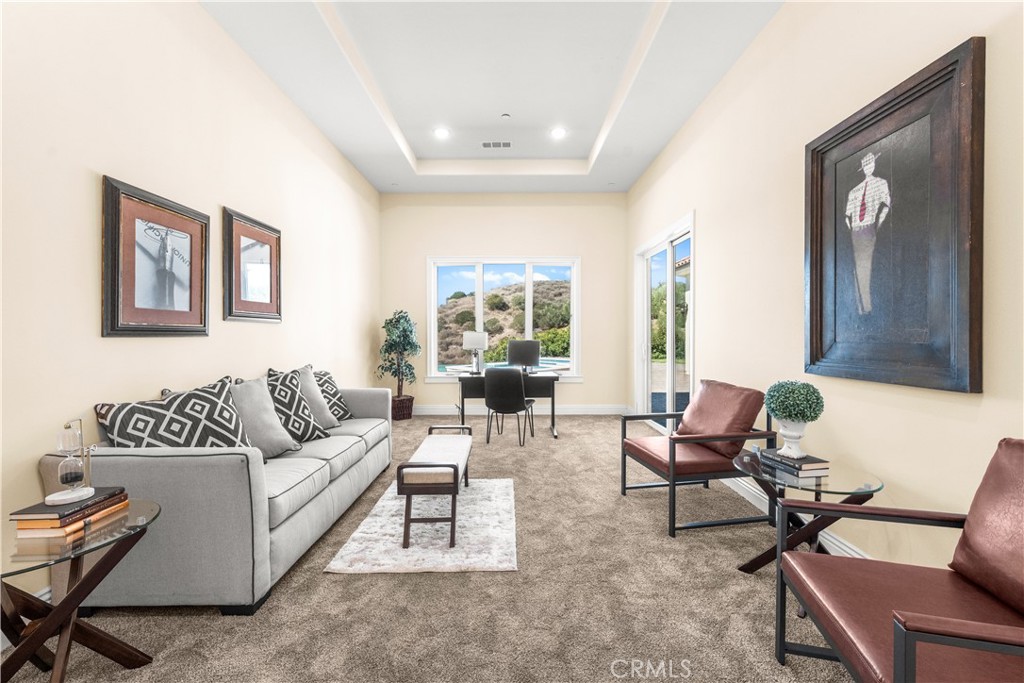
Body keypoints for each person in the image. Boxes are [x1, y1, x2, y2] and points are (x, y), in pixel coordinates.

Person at [844, 151, 891, 315]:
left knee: (868, 267)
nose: (868, 166)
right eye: (865, 164)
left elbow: (886, 205)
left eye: (871, 162)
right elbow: (847, 217)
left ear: (874, 164)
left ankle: (869, 308)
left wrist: (877, 224)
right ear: (863, 167)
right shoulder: (854, 191)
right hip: (857, 231)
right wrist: (853, 228)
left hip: (869, 227)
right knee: (858, 269)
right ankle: (862, 309)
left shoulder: (880, 183)